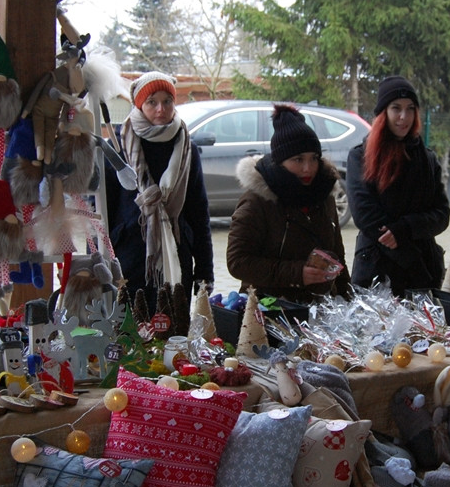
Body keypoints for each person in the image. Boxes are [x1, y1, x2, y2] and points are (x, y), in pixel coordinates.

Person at [104, 71, 213, 309]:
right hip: (129, 260)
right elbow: (103, 212)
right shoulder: (117, 148)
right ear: (139, 105)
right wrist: (103, 264)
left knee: (174, 334)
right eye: (152, 102)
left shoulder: (187, 150)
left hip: (176, 256)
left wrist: (205, 270)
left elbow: (199, 213)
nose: (160, 109)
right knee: (130, 336)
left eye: (167, 101)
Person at [226, 104, 350, 303]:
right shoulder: (257, 201)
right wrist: (297, 273)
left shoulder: (324, 194)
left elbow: (338, 258)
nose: (308, 168)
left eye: (314, 158)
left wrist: (347, 301)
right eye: (298, 159)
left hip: (322, 311)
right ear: (280, 162)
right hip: (268, 311)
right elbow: (238, 262)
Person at [346, 76, 450, 295]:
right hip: (376, 273)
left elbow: (442, 214)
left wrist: (406, 228)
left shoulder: (428, 159)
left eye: (410, 108)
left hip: (423, 274)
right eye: (396, 108)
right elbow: (365, 216)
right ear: (383, 113)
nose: (404, 117)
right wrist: (408, 255)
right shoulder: (360, 157)